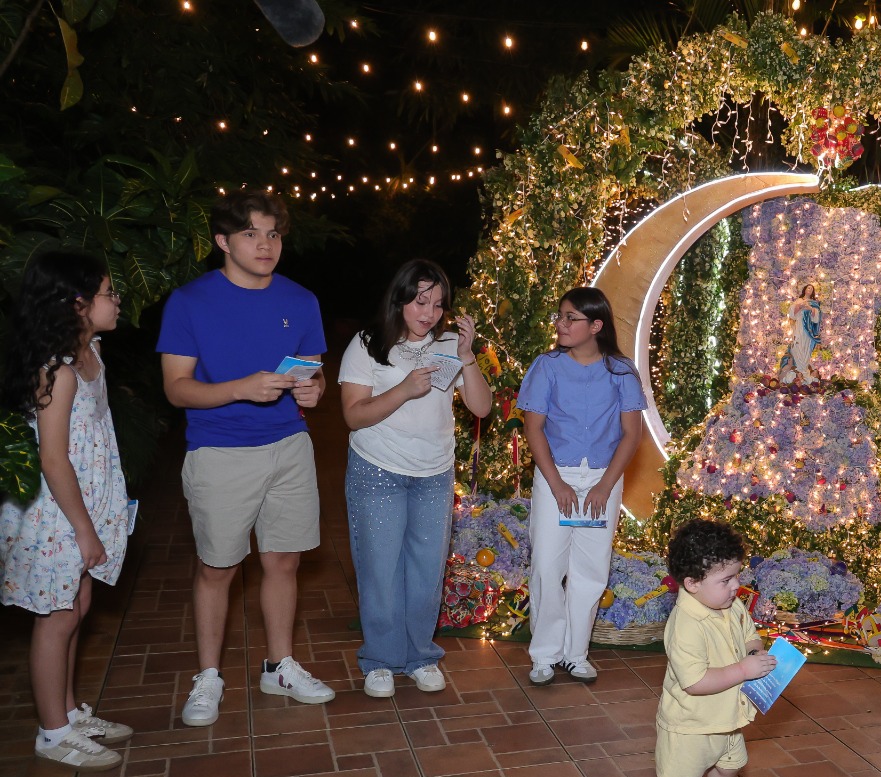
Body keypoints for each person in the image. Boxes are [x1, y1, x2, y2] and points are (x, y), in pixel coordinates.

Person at [158, 190, 333, 726]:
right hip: (219, 450)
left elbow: (312, 373)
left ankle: (279, 666)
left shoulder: (301, 300)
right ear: (223, 241)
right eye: (251, 234)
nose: (265, 244)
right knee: (218, 567)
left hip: (289, 445)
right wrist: (239, 388)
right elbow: (176, 388)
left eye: (273, 234)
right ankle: (208, 676)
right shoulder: (190, 302)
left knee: (283, 561)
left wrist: (314, 390)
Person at [1, 250, 134, 770]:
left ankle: (69, 712)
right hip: (56, 516)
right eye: (108, 293)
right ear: (78, 304)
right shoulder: (56, 373)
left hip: (83, 504)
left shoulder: (91, 354)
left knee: (77, 607)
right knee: (56, 618)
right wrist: (84, 530)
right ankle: (52, 732)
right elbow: (54, 459)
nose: (117, 300)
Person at [339, 260, 491, 698]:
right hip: (378, 468)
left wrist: (467, 357)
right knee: (381, 570)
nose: (429, 313)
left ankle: (421, 656)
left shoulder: (448, 344)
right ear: (400, 298)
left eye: (438, 304)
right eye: (421, 301)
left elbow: (481, 407)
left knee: (427, 571)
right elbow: (353, 415)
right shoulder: (368, 343)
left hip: (434, 473)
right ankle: (381, 661)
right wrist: (404, 389)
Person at [516, 287, 645, 685]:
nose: (561, 323)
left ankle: (575, 654)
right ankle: (545, 654)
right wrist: (556, 484)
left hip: (603, 479)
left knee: (591, 568)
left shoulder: (622, 371)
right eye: (560, 316)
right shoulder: (546, 366)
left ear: (595, 325)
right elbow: (533, 429)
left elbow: (632, 434)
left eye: (570, 317)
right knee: (546, 565)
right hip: (556, 476)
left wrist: (605, 487)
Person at [655, 519, 775, 777]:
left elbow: (750, 635)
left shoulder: (730, 605)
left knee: (732, 764)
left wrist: (754, 652)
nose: (736, 586)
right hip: (690, 724)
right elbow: (694, 682)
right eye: (726, 580)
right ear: (692, 583)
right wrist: (743, 670)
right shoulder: (686, 624)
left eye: (737, 576)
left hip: (728, 716)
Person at [776, 283, 821, 386]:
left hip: (808, 331)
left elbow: (816, 318)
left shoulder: (814, 303)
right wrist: (800, 306)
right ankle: (798, 372)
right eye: (808, 288)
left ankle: (804, 371)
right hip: (799, 328)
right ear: (804, 289)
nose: (809, 289)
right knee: (797, 346)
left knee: (806, 349)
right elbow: (792, 314)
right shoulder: (799, 300)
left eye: (811, 289)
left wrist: (810, 308)